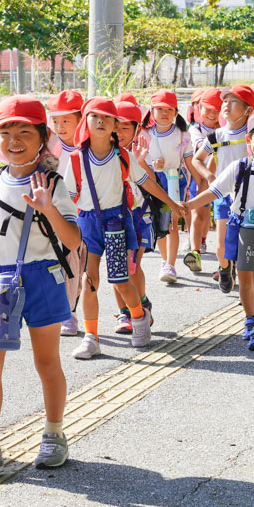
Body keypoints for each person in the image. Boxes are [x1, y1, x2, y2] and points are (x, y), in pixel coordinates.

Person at [0, 95, 80, 477]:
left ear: (42, 136)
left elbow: (73, 239)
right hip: (0, 281)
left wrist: (48, 208)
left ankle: (55, 434)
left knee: (46, 362)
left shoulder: (54, 181)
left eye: (25, 131)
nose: (14, 139)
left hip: (42, 277)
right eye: (6, 131)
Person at [69, 98, 183, 359]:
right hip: (87, 223)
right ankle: (91, 337)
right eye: (94, 116)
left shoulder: (123, 156)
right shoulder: (76, 158)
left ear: (113, 125)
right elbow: (68, 196)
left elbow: (147, 183)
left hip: (118, 223)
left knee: (121, 280)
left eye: (107, 118)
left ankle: (139, 318)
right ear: (84, 121)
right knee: (90, 279)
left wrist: (172, 204)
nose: (100, 122)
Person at [180, 111, 254, 351]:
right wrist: (189, 205)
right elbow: (215, 192)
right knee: (243, 277)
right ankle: (250, 318)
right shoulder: (237, 167)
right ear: (248, 140)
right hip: (239, 225)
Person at [192, 85, 254, 293]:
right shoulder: (216, 136)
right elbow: (197, 159)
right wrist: (210, 176)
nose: (226, 105)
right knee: (221, 246)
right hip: (223, 195)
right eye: (225, 101)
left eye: (234, 101)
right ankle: (225, 267)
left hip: (250, 197)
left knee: (246, 241)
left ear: (248, 110)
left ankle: (242, 274)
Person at [141, 89, 198, 284]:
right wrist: (153, 166)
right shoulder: (145, 135)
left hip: (175, 181)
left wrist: (200, 181)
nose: (164, 113)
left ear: (175, 112)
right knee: (160, 222)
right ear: (151, 111)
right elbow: (142, 162)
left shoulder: (182, 135)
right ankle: (165, 260)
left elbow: (190, 162)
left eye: (169, 109)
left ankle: (170, 264)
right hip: (154, 181)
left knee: (172, 222)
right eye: (159, 109)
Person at [112, 99, 159, 334]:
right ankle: (124, 312)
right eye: (116, 126)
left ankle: (141, 302)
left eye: (125, 128)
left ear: (136, 130)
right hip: (112, 219)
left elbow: (153, 183)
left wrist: (140, 162)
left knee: (132, 266)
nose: (119, 133)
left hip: (139, 217)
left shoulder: (142, 151)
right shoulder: (103, 153)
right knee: (116, 268)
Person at [46, 89, 86, 336]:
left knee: (80, 267)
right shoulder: (49, 148)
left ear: (81, 119)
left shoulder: (91, 147)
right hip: (56, 215)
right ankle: (67, 314)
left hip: (85, 215)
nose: (60, 127)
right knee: (60, 263)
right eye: (56, 121)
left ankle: (72, 308)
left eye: (66, 121)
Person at [184, 88, 220, 270]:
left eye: (217, 110)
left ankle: (204, 242)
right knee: (199, 211)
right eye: (208, 109)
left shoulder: (228, 129)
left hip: (225, 178)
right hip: (201, 175)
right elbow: (201, 149)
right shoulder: (195, 130)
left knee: (219, 217)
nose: (213, 114)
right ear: (199, 108)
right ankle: (195, 249)